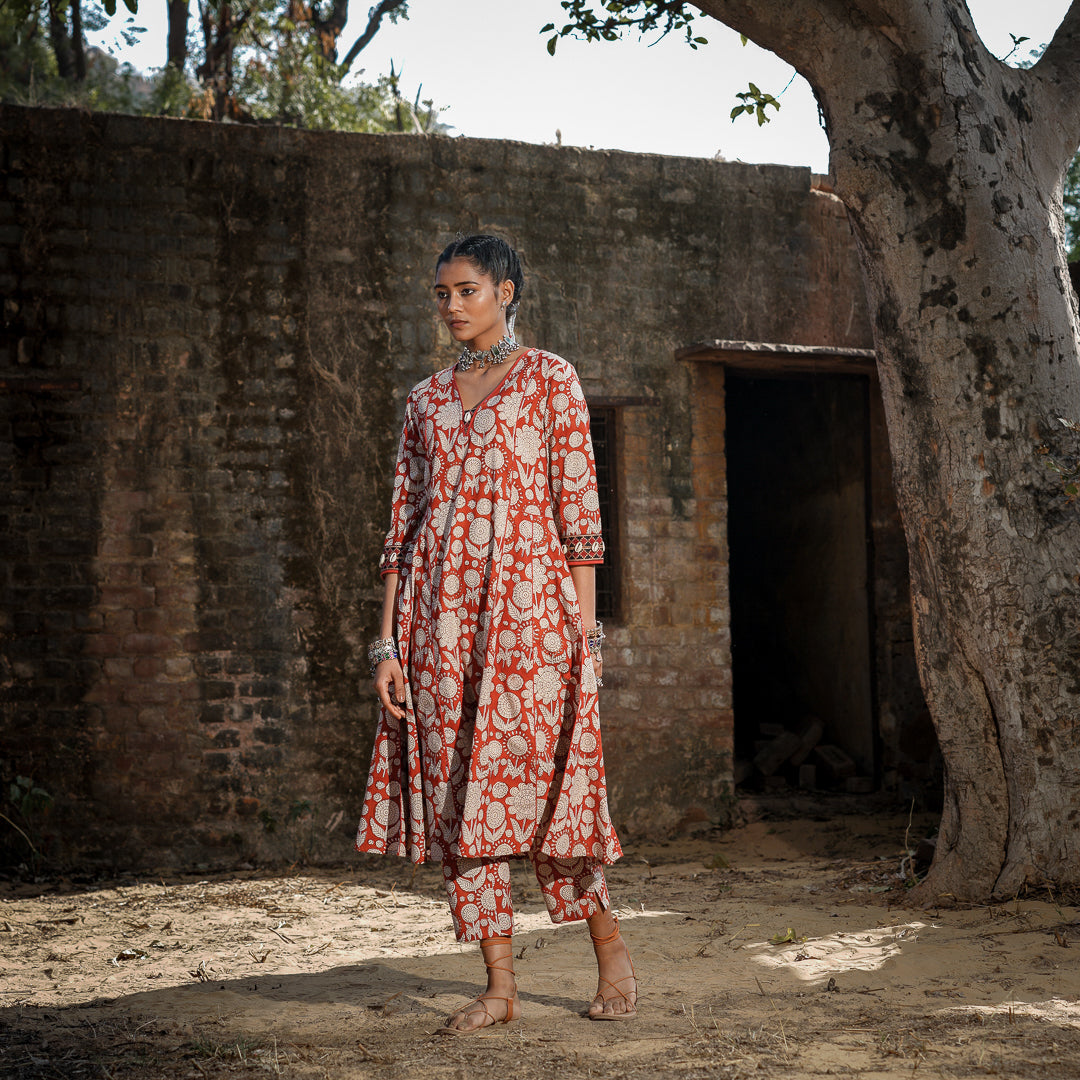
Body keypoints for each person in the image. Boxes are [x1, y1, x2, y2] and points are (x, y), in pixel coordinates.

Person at [355, 234, 637, 1032]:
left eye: (467, 290)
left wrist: (587, 641)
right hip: (437, 628)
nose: (451, 306)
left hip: (533, 626)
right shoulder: (425, 402)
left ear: (506, 291)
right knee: (458, 802)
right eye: (441, 293)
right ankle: (500, 987)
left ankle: (610, 948)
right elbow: (401, 531)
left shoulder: (552, 380)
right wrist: (386, 644)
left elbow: (582, 521)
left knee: (550, 798)